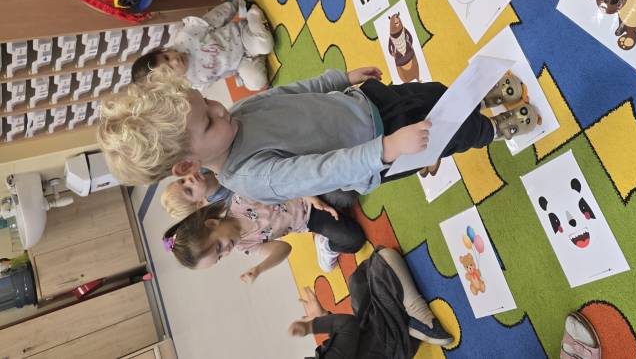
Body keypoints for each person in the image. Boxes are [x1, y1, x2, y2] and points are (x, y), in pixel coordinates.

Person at [98, 66, 540, 203]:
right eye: (208, 121)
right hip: (378, 149)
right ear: (188, 165)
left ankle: (478, 95)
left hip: (367, 104)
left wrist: (337, 79)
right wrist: (387, 149)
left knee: (433, 94)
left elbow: (288, 93)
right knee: (450, 134)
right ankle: (494, 127)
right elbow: (324, 171)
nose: (219, 108)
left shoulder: (233, 117)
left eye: (208, 101)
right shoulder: (251, 175)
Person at [289, 247, 453, 358]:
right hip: (389, 336)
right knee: (383, 258)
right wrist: (314, 324)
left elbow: (342, 348)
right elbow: (348, 326)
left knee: (358, 281)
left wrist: (323, 316)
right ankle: (420, 320)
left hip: (376, 340)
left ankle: (406, 323)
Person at [161, 191, 365, 276]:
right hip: (310, 219)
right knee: (354, 240)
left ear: (213, 223)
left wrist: (309, 195)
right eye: (220, 256)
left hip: (306, 192)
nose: (226, 251)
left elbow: (282, 182)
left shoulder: (241, 200)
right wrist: (259, 269)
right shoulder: (244, 245)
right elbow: (284, 248)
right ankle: (326, 246)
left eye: (218, 247)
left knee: (347, 197)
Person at [131, 0, 273, 91]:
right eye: (170, 69)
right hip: (241, 62)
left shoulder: (186, 36)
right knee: (255, 84)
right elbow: (219, 74)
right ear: (171, 82)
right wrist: (236, 72)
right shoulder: (193, 82)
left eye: (167, 57)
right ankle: (257, 57)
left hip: (242, 36)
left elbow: (215, 17)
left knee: (265, 45)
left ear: (163, 50)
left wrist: (237, 5)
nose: (175, 61)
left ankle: (252, 14)